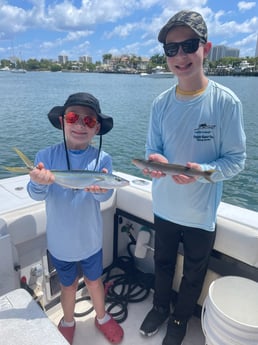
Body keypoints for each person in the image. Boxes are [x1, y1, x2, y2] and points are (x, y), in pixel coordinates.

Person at [139, 10, 246, 345]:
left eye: (188, 45)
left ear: (206, 47)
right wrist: (154, 163)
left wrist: (202, 174)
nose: (180, 56)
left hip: (201, 215)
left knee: (193, 274)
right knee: (163, 263)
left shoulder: (226, 103)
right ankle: (159, 305)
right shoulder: (160, 103)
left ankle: (179, 317)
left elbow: (237, 160)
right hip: (165, 206)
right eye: (172, 49)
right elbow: (150, 152)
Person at [27, 92, 124, 345]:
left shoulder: (102, 160)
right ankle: (68, 321)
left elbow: (103, 198)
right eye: (73, 117)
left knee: (94, 281)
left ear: (97, 128)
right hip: (60, 243)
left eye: (89, 121)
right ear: (63, 121)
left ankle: (101, 317)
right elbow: (36, 195)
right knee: (68, 286)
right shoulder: (45, 157)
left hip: (90, 241)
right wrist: (38, 183)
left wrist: (103, 191)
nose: (80, 125)